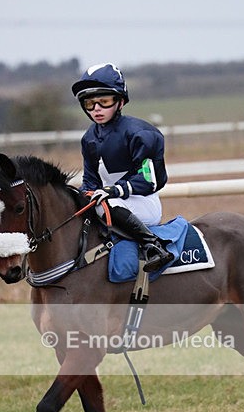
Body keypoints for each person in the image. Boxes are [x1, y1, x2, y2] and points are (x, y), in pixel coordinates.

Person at [72, 62, 174, 273]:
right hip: (110, 200)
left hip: (142, 202)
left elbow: (151, 180)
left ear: (120, 101)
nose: (96, 109)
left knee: (103, 205)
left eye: (104, 101)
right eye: (89, 103)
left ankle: (154, 245)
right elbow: (90, 180)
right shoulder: (89, 139)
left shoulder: (141, 133)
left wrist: (115, 190)